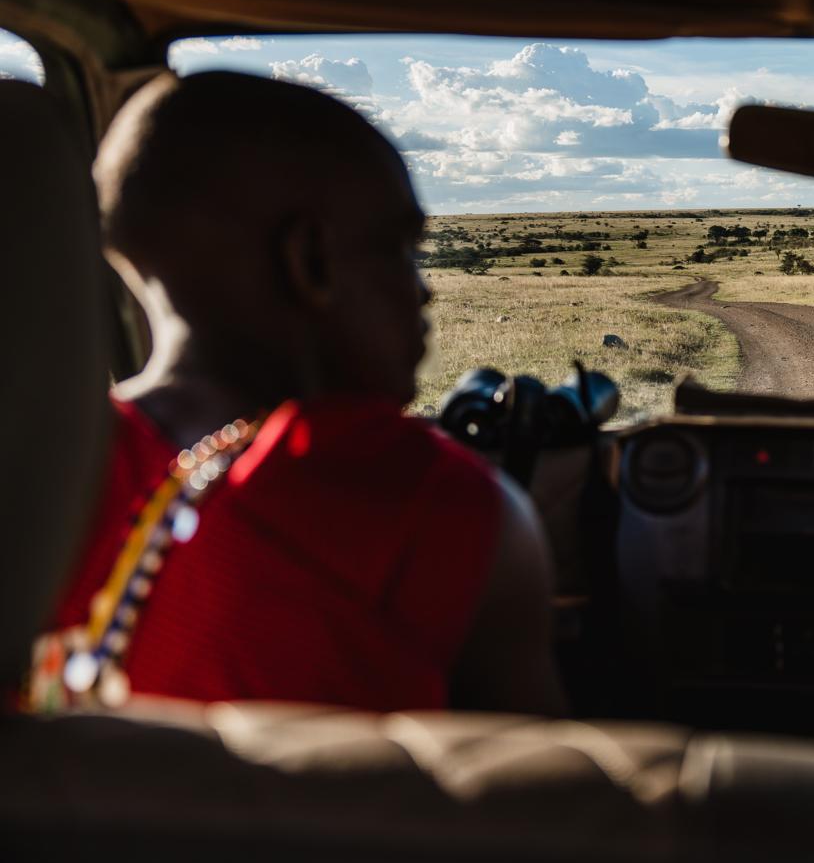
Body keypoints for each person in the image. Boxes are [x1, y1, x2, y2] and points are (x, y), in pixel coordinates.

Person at [30, 71, 565, 716]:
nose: (423, 291)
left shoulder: (37, 467)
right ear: (309, 260)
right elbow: (537, 767)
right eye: (400, 249)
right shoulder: (439, 503)